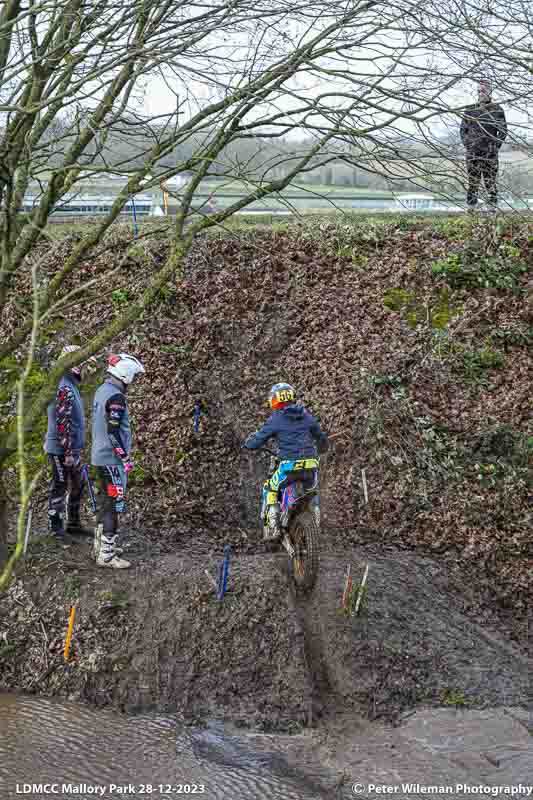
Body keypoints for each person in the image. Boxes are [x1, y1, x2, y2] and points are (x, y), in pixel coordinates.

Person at [243, 383, 328, 539]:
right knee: (312, 492)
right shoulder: (306, 415)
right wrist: (322, 449)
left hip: (288, 467)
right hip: (310, 466)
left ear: (275, 400)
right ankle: (316, 521)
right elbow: (321, 438)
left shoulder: (276, 419)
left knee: (270, 488)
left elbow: (257, 440)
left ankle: (273, 527)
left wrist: (249, 444)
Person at [91, 353, 145, 569]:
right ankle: (107, 554)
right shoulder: (116, 398)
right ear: (126, 375)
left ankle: (100, 546)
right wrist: (124, 458)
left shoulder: (102, 390)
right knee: (113, 504)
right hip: (111, 461)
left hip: (99, 456)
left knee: (105, 501)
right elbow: (113, 432)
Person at [44, 345, 97, 541]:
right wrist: (67, 452)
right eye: (85, 365)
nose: (87, 370)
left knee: (78, 483)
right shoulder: (63, 386)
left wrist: (75, 450)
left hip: (72, 448)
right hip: (60, 449)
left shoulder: (70, 384)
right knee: (59, 485)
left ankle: (73, 523)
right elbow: (62, 422)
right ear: (74, 364)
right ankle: (55, 528)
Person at [460, 79, 507, 211]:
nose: (481, 93)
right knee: (473, 182)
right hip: (473, 153)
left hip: (490, 153)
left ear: (489, 91)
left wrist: (494, 147)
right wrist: (468, 145)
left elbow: (503, 132)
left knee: (490, 182)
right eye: (479, 91)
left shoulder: (497, 110)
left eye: (484, 90)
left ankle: (492, 209)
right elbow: (463, 131)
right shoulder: (469, 109)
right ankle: (471, 208)